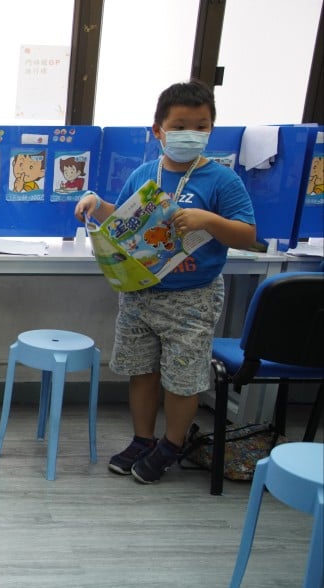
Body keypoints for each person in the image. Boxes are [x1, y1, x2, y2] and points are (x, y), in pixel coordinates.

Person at [74, 80, 256, 484]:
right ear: (158, 130)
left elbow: (248, 235)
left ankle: (171, 445)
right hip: (140, 294)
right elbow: (122, 222)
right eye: (180, 125)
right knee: (142, 372)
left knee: (183, 377)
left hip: (192, 298)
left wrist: (208, 220)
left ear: (211, 129)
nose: (191, 134)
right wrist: (94, 202)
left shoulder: (221, 180)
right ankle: (143, 439)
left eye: (201, 126)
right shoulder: (144, 173)